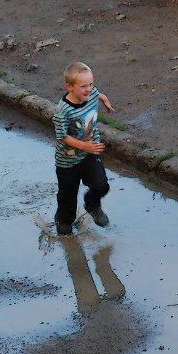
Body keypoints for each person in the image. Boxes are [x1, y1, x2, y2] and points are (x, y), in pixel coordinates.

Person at [54, 61, 114, 235]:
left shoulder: (91, 93)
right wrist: (84, 146)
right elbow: (62, 136)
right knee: (68, 197)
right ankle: (63, 220)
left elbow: (99, 95)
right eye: (83, 86)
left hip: (89, 153)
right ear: (69, 87)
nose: (88, 89)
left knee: (102, 185)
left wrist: (107, 103)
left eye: (91, 84)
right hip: (67, 161)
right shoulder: (63, 110)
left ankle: (92, 203)